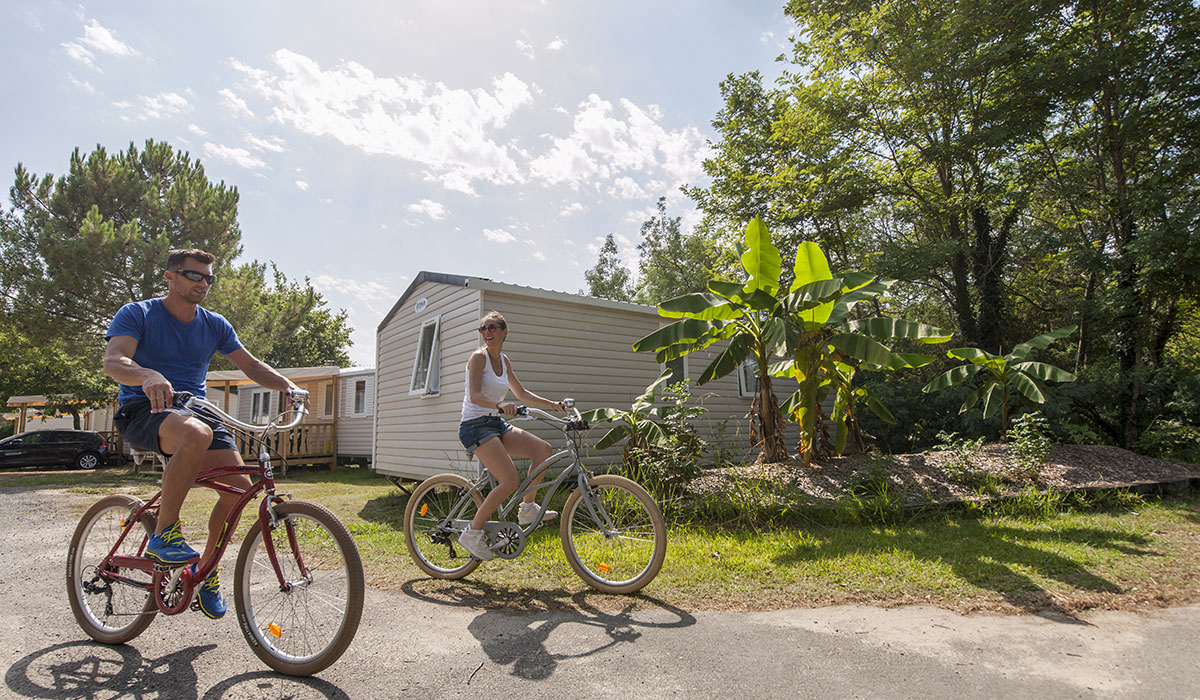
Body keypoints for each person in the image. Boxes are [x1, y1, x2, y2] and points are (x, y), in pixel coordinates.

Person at [103, 248, 302, 619]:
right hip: (144, 409)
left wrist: (287, 386)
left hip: (197, 414)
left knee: (240, 493)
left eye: (208, 278)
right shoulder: (138, 313)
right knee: (196, 434)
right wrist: (147, 376)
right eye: (193, 275)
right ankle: (164, 534)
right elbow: (114, 361)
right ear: (170, 276)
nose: (202, 283)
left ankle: (205, 570)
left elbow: (251, 365)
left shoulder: (214, 324)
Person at [457, 311, 565, 561]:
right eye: (482, 329)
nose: (487, 332)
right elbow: (474, 395)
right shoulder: (478, 358)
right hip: (475, 426)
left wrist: (552, 404)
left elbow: (521, 392)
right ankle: (472, 532)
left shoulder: (504, 361)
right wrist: (499, 406)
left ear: (505, 332)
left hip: (495, 424)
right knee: (509, 480)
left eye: (492, 328)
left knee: (543, 450)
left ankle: (527, 508)